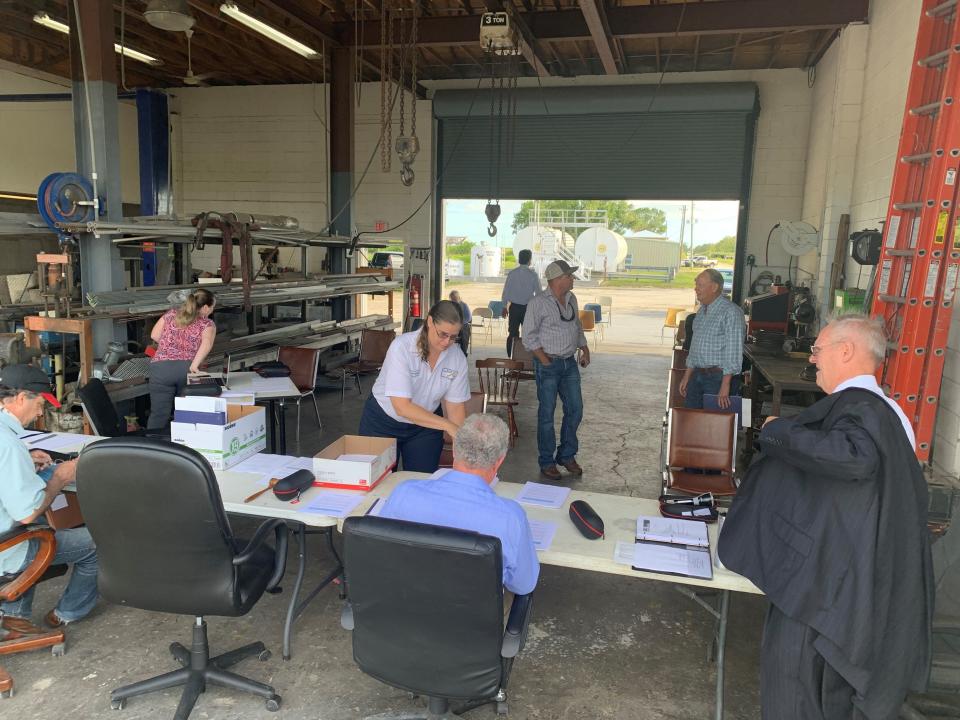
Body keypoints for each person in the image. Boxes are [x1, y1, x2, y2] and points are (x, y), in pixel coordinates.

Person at [718, 315, 932, 720]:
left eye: (818, 350)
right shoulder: (895, 416)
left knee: (794, 695)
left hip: (820, 593)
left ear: (846, 351)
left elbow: (852, 458)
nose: (813, 359)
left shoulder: (860, 407)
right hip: (857, 596)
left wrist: (778, 429)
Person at [380, 413, 539, 596]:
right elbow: (523, 585)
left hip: (402, 606)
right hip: (470, 620)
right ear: (499, 461)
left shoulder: (404, 493)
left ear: (454, 449)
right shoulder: (510, 517)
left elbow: (382, 553)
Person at [0, 365, 98, 636]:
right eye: (41, 403)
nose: (42, 412)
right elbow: (27, 514)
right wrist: (60, 479)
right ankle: (67, 612)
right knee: (98, 544)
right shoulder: (7, 443)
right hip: (7, 549)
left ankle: (13, 616)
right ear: (21, 398)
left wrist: (26, 458)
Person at [359, 300, 470, 473]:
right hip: (382, 422)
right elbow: (402, 407)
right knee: (378, 480)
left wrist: (462, 451)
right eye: (443, 334)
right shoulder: (401, 348)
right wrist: (448, 426)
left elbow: (455, 408)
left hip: (426, 425)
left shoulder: (457, 358)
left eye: (454, 336)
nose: (447, 342)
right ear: (430, 322)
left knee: (422, 480)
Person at [522, 260, 590, 481]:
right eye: (570, 276)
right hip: (549, 364)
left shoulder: (571, 298)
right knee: (547, 415)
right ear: (558, 279)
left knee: (576, 409)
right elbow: (528, 336)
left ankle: (566, 455)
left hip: (569, 363)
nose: (573, 279)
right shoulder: (538, 303)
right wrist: (544, 360)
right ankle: (547, 461)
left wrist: (584, 347)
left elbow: (576, 327)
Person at [147, 289, 216, 431]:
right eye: (212, 307)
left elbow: (154, 335)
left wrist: (169, 347)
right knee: (186, 413)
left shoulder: (171, 314)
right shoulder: (207, 324)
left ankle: (152, 447)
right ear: (204, 307)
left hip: (160, 368)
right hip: (186, 369)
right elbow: (207, 343)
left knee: (158, 414)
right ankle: (184, 446)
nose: (212, 310)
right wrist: (194, 365)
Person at [680, 268, 745, 409]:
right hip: (697, 375)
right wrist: (687, 375)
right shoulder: (702, 310)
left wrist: (725, 385)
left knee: (713, 425)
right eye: (696, 285)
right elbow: (694, 347)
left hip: (718, 378)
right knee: (692, 420)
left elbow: (733, 351)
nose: (696, 289)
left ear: (714, 287)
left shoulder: (731, 312)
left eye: (700, 285)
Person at [501, 249, 541, 357]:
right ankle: (526, 357)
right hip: (528, 309)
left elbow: (506, 292)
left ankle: (511, 357)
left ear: (519, 259)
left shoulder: (512, 274)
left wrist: (504, 307)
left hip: (514, 308)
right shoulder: (533, 275)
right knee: (528, 334)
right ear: (529, 260)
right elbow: (539, 294)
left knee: (512, 334)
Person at [449, 289, 472, 356]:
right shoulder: (449, 306)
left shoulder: (464, 305)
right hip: (452, 324)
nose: (454, 300)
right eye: (452, 299)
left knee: (463, 329)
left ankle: (463, 352)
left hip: (462, 324)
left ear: (458, 298)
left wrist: (460, 323)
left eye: (455, 298)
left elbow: (468, 317)